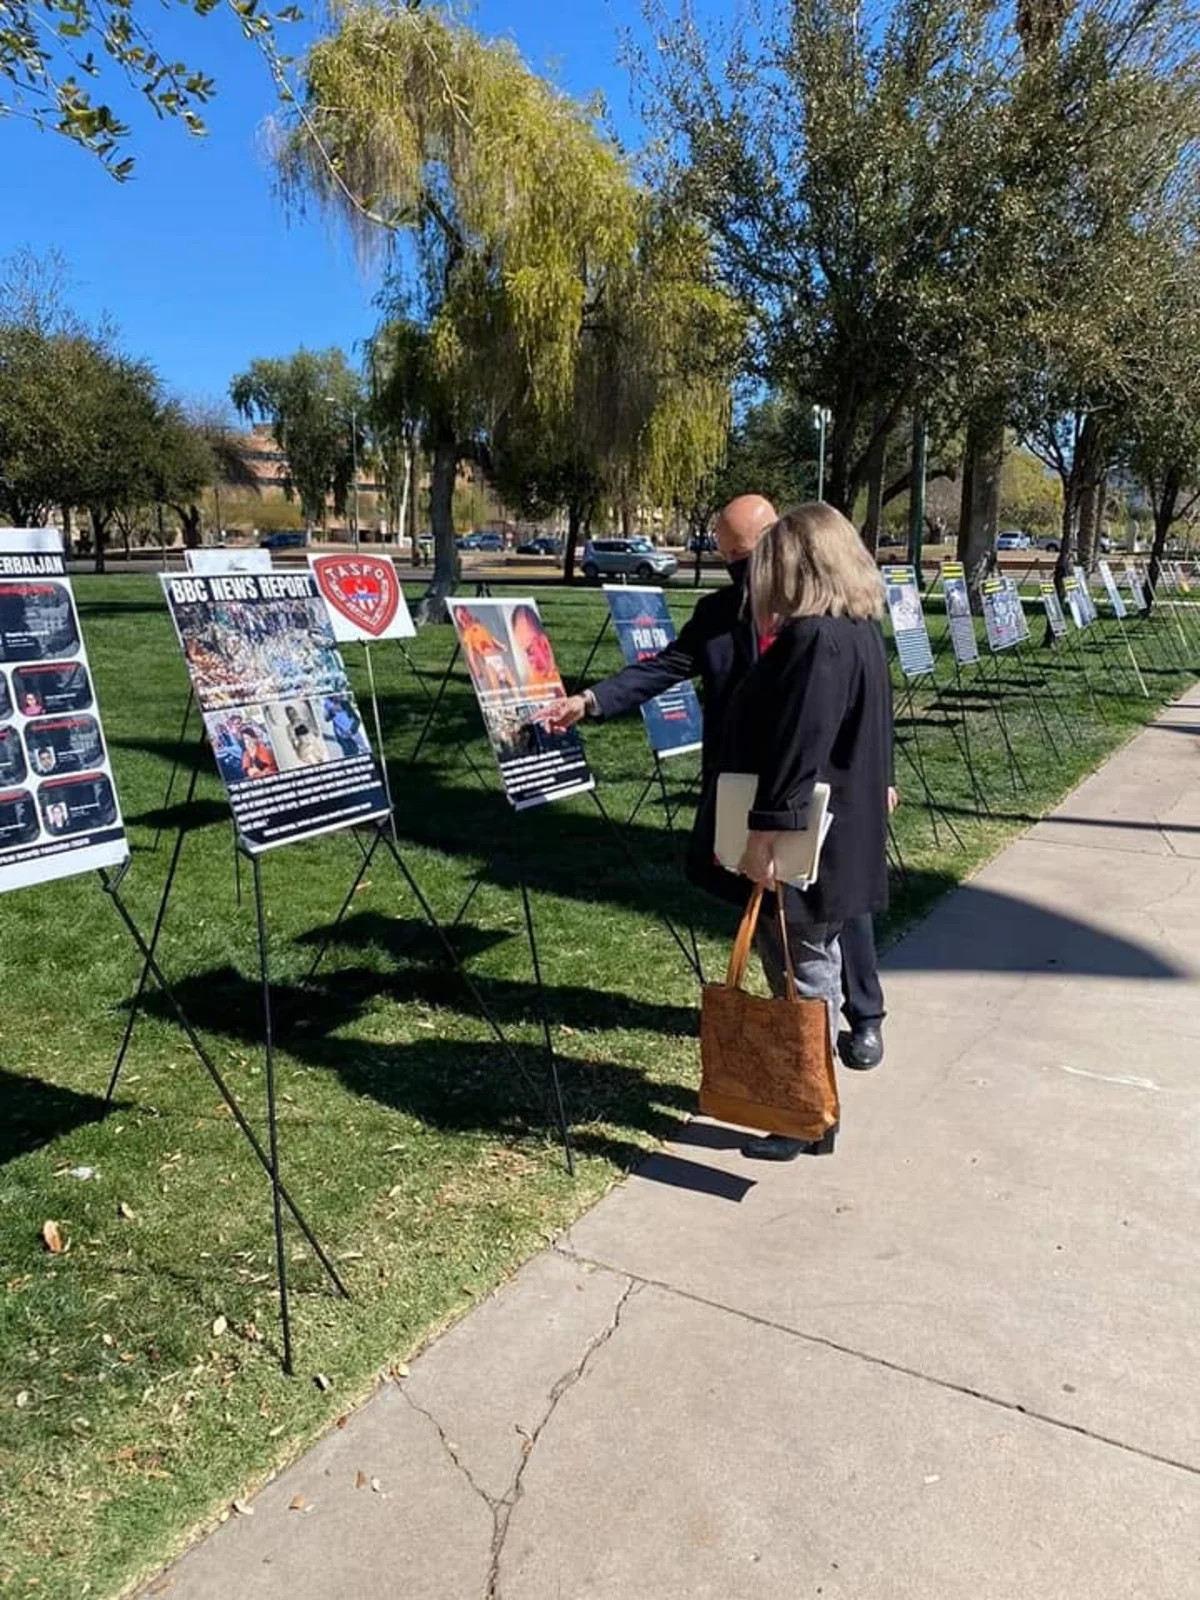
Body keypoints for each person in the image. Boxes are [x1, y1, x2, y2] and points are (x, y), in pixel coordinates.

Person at [542, 494, 893, 1068]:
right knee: (802, 946)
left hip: (809, 805)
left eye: (749, 554)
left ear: (783, 543)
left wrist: (775, 828)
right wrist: (591, 701)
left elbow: (829, 726)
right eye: (728, 555)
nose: (742, 567)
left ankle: (829, 1064)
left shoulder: (821, 632)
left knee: (815, 944)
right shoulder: (726, 614)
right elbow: (665, 668)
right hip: (762, 794)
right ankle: (811, 1083)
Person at [729, 502, 893, 1159]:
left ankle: (808, 1113)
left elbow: (801, 744)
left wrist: (766, 834)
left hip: (809, 839)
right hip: (843, 831)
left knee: (802, 976)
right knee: (810, 969)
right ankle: (812, 1110)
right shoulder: (857, 631)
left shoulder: (813, 638)